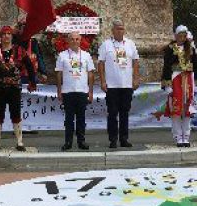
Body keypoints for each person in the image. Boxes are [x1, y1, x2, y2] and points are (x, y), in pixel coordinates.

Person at [98, 19, 140, 148]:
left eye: (122, 28)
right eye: (117, 28)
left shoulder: (130, 44)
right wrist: (103, 81)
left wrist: (136, 78)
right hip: (112, 85)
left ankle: (124, 139)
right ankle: (113, 139)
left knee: (124, 113)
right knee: (112, 112)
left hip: (126, 85)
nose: (120, 30)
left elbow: (135, 62)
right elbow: (100, 63)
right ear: (112, 30)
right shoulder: (106, 45)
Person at [161, 26, 197, 147]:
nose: (182, 38)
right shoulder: (170, 48)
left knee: (187, 108)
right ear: (176, 36)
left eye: (184, 36)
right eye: (180, 35)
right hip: (175, 79)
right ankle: (178, 136)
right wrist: (167, 83)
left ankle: (186, 136)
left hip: (188, 79)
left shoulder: (191, 48)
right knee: (176, 108)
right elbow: (166, 66)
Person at [56, 32, 95, 151]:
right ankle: (68, 142)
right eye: (72, 39)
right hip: (68, 91)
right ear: (68, 41)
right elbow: (59, 74)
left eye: (77, 39)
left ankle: (81, 141)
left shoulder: (86, 55)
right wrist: (59, 90)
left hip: (82, 91)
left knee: (81, 118)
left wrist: (91, 91)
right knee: (68, 118)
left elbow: (91, 74)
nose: (74, 41)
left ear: (80, 40)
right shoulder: (62, 55)